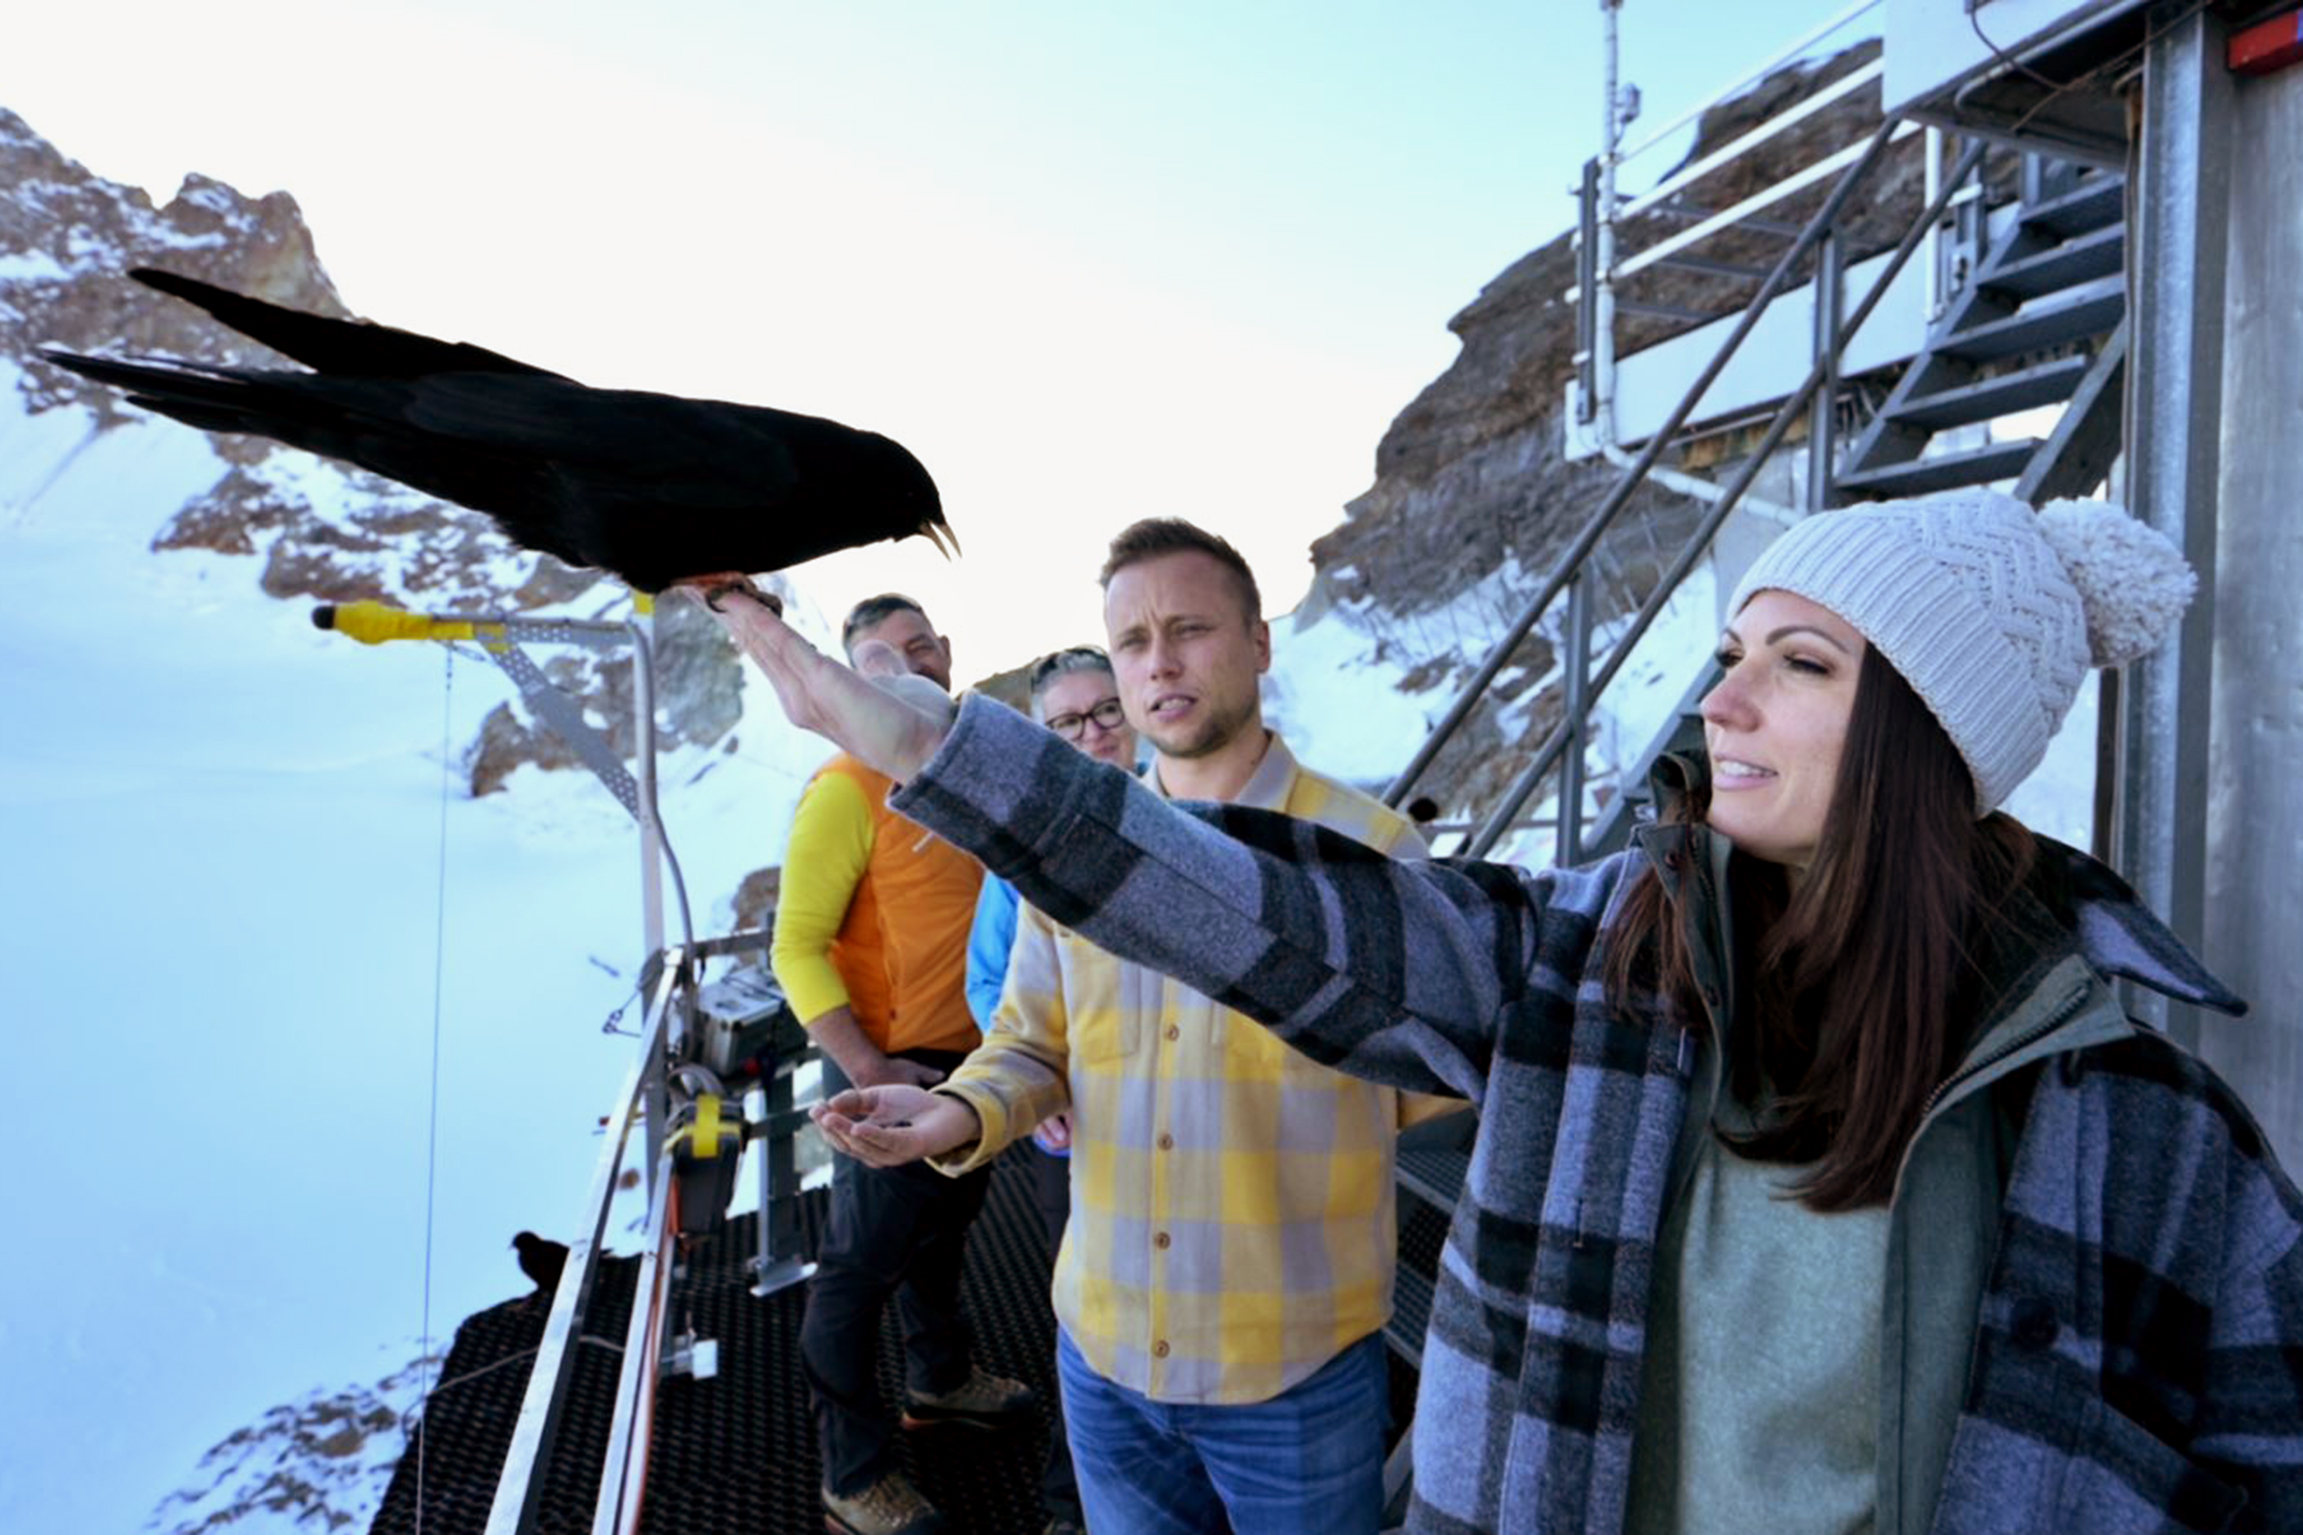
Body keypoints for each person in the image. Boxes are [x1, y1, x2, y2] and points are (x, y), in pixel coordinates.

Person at [702, 490, 2303, 1535]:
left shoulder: (2154, 1146)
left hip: (1291, 1363)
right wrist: (920, 743)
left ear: (1932, 731)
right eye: (1728, 651)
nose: (1716, 700)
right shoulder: (1596, 963)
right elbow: (1202, 902)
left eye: (1795, 663)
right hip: (1106, 1336)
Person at [809, 520, 1445, 1535]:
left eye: (1188, 627)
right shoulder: (1072, 849)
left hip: (1290, 1364)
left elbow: (1424, 1084)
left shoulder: (1372, 854)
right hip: (1101, 1358)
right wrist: (953, 1108)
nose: (1159, 662)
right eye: (1133, 641)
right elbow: (1031, 1037)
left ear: (1258, 641)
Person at [773, 592, 1033, 1535]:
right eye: (878, 657)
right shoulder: (846, 788)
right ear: (848, 681)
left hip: (977, 1062)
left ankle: (939, 1378)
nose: (907, 666)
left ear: (948, 654)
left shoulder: (972, 772)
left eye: (921, 647)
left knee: (945, 1231)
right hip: (890, 1064)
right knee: (858, 1270)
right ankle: (853, 1474)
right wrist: (870, 1063)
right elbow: (794, 947)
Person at [963, 643, 1139, 1535]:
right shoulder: (1018, 849)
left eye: (1105, 710)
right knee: (1091, 1317)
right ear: (1041, 737)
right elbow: (990, 985)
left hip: (1188, 1118)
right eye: (1067, 721)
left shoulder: (1188, 814)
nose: (1093, 734)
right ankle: (1073, 1508)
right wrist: (1044, 1085)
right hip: (1079, 1125)